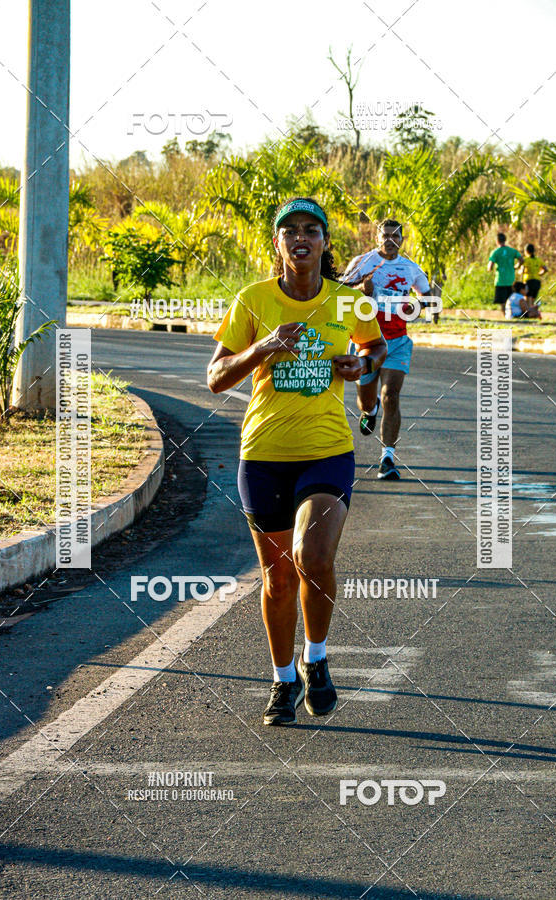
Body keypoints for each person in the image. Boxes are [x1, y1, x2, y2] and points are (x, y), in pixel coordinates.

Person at [207, 197, 386, 726]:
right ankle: (284, 681)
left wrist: (361, 364)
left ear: (326, 242)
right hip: (262, 455)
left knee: (314, 555)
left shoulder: (349, 303)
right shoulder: (253, 299)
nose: (301, 238)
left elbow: (375, 351)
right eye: (290, 231)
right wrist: (262, 347)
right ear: (278, 243)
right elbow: (216, 378)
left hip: (327, 450)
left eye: (312, 229)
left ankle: (317, 657)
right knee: (278, 579)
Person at [342, 219, 430, 480]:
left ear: (402, 240)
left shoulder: (411, 268)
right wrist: (361, 289)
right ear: (377, 237)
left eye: (396, 236)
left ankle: (387, 458)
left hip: (398, 341)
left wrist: (416, 304)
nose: (390, 240)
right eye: (386, 235)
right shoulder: (364, 262)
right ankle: (370, 410)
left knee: (391, 394)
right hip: (366, 340)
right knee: (365, 400)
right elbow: (341, 290)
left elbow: (426, 297)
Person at [487, 233, 522, 310]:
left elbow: (490, 266)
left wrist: (489, 269)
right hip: (511, 279)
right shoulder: (512, 251)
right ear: (505, 240)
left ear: (497, 241)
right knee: (510, 299)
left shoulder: (495, 252)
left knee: (502, 301)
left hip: (500, 280)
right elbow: (521, 260)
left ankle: (505, 316)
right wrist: (516, 266)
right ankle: (510, 314)